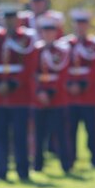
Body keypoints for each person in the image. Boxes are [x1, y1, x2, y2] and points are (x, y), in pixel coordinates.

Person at [0, 4, 37, 182]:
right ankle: (1, 169)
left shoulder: (26, 39)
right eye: (6, 19)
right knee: (0, 135)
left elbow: (29, 65)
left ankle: (23, 170)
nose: (9, 22)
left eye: (12, 18)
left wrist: (13, 83)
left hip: (19, 95)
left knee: (20, 135)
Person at [63, 8, 95, 169]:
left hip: (89, 95)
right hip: (70, 96)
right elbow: (62, 68)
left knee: (93, 130)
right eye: (77, 24)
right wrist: (70, 85)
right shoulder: (66, 44)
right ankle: (70, 160)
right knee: (70, 131)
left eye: (83, 24)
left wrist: (82, 85)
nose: (80, 27)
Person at [32, 15, 72, 174]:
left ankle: (66, 164)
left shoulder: (62, 50)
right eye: (45, 31)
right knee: (38, 134)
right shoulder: (36, 50)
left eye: (51, 31)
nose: (48, 34)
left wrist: (50, 91)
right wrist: (40, 91)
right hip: (39, 99)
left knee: (61, 133)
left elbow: (63, 74)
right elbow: (32, 74)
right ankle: (37, 164)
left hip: (58, 97)